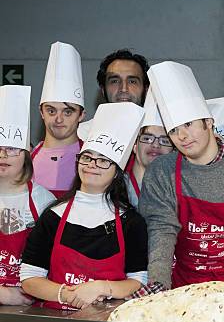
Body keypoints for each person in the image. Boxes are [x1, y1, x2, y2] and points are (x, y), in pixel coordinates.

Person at [140, 61, 224, 289]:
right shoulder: (162, 172)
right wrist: (158, 286)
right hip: (186, 292)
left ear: (209, 122)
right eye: (173, 130)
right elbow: (161, 232)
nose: (182, 136)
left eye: (189, 124)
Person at [21, 103, 148, 310]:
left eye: (103, 161)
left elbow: (138, 280)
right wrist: (68, 294)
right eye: (87, 158)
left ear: (117, 171)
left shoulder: (132, 222)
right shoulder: (53, 215)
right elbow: (29, 277)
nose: (92, 165)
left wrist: (100, 288)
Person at [0, 85, 55, 305]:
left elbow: (54, 260)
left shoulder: (43, 200)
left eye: (12, 148)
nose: (3, 155)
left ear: (26, 153)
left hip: (32, 306)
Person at [32, 42, 86, 198]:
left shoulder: (92, 162)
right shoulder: (25, 162)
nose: (58, 119)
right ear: (41, 112)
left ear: (81, 115)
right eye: (51, 110)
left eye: (68, 112)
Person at [77, 49, 149, 141]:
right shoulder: (81, 135)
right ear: (103, 90)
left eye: (132, 81)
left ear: (146, 89)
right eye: (115, 81)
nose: (123, 89)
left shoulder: (161, 137)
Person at [126, 91, 174, 207]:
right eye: (147, 138)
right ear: (134, 145)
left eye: (165, 140)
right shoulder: (115, 188)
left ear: (173, 151)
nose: (156, 145)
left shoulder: (181, 190)